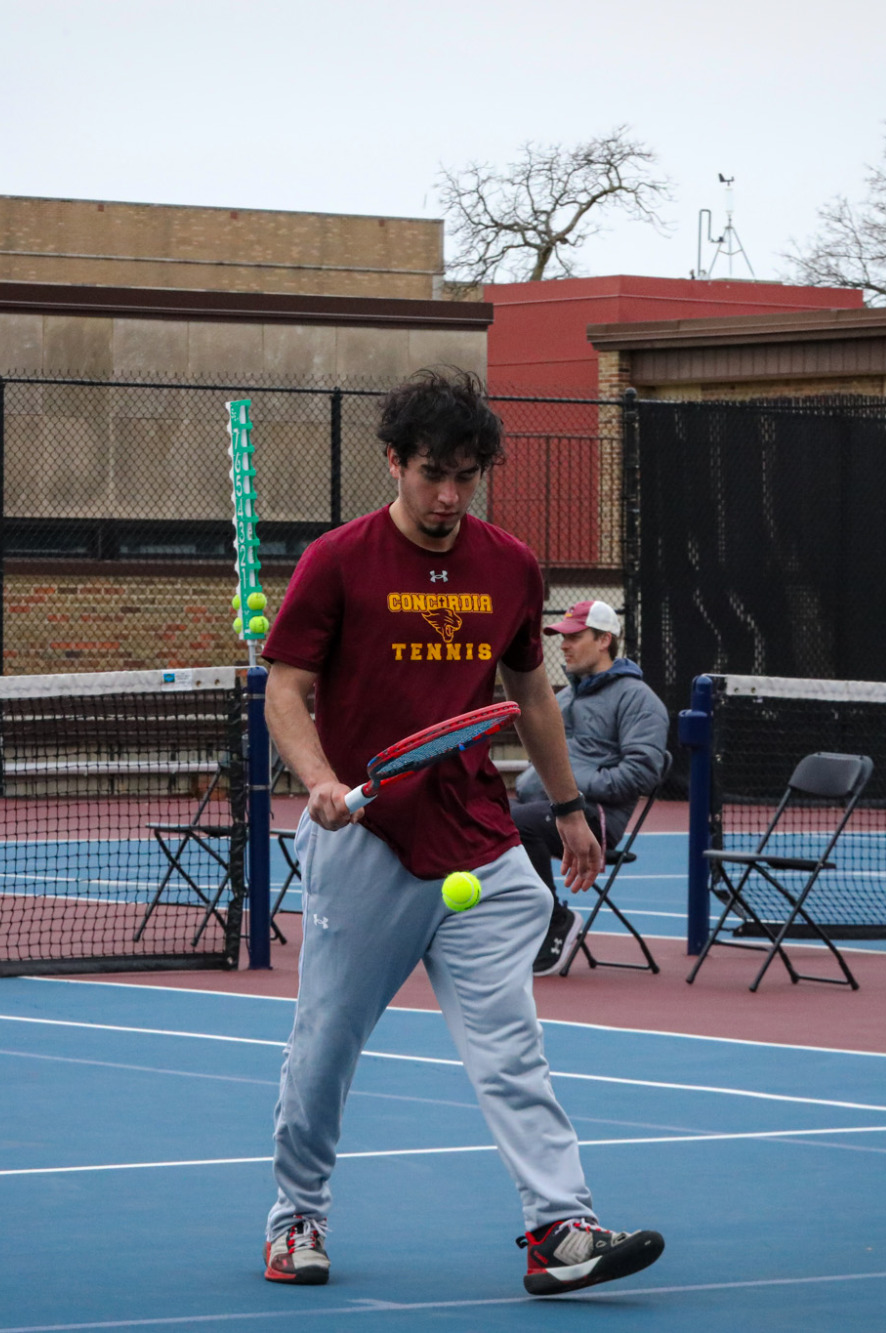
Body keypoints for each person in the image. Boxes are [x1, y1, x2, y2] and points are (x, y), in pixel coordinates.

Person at [258, 369, 664, 1296]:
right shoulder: (338, 561)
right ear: (394, 462)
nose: (449, 495)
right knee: (326, 1045)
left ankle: (560, 1228)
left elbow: (531, 696)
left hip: (478, 835)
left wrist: (569, 809)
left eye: (466, 476)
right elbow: (285, 688)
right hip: (365, 838)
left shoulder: (510, 566)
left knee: (512, 1045)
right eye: (432, 473)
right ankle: (296, 1218)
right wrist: (319, 780)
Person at [512, 598, 670, 974]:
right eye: (562, 638)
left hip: (596, 820)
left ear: (604, 640)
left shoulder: (638, 699)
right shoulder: (563, 697)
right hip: (548, 809)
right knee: (481, 815)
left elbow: (641, 774)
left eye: (574, 637)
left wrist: (568, 786)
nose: (564, 646)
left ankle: (555, 922)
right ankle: (512, 925)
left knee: (520, 823)